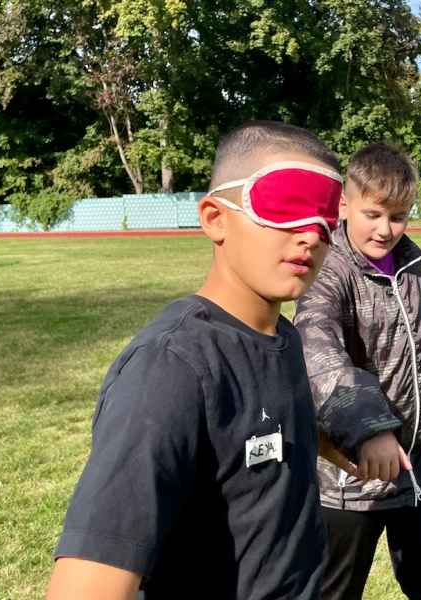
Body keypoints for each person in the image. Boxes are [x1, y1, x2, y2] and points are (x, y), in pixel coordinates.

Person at [46, 121, 349, 600]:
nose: (310, 235)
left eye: (326, 218)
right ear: (214, 218)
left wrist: (337, 444)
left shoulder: (284, 338)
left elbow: (260, 430)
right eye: (284, 205)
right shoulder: (169, 370)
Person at [294, 142, 421, 600]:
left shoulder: (416, 263)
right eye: (372, 214)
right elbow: (317, 350)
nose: (385, 229)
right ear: (344, 205)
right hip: (352, 475)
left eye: (398, 216)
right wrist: (369, 428)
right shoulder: (327, 270)